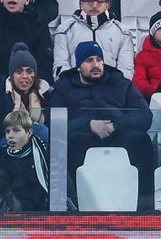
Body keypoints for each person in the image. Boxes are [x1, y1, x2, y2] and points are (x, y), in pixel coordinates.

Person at [50, 40, 155, 205]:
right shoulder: (64, 88)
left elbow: (144, 116)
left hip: (118, 136)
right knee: (72, 141)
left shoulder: (121, 83)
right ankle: (75, 203)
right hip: (84, 137)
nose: (96, 64)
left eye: (99, 59)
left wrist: (116, 125)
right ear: (78, 66)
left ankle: (144, 204)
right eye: (89, 60)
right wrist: (89, 124)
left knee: (140, 139)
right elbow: (55, 125)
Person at [52, 0, 134, 81]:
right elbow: (60, 65)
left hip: (111, 88)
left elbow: (126, 69)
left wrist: (113, 87)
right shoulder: (64, 30)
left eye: (100, 1)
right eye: (89, 0)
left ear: (107, 5)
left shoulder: (122, 32)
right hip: (75, 88)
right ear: (81, 4)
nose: (94, 5)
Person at [0, 42, 50, 145]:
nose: (25, 76)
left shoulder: (46, 94)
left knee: (42, 131)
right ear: (12, 75)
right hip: (6, 143)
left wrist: (35, 105)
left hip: (38, 145)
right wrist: (16, 110)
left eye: (29, 71)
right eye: (19, 72)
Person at [0, 109, 49, 211]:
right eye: (7, 131)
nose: (10, 135)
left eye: (16, 130)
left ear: (29, 133)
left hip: (38, 209)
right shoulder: (1, 156)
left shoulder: (44, 154)